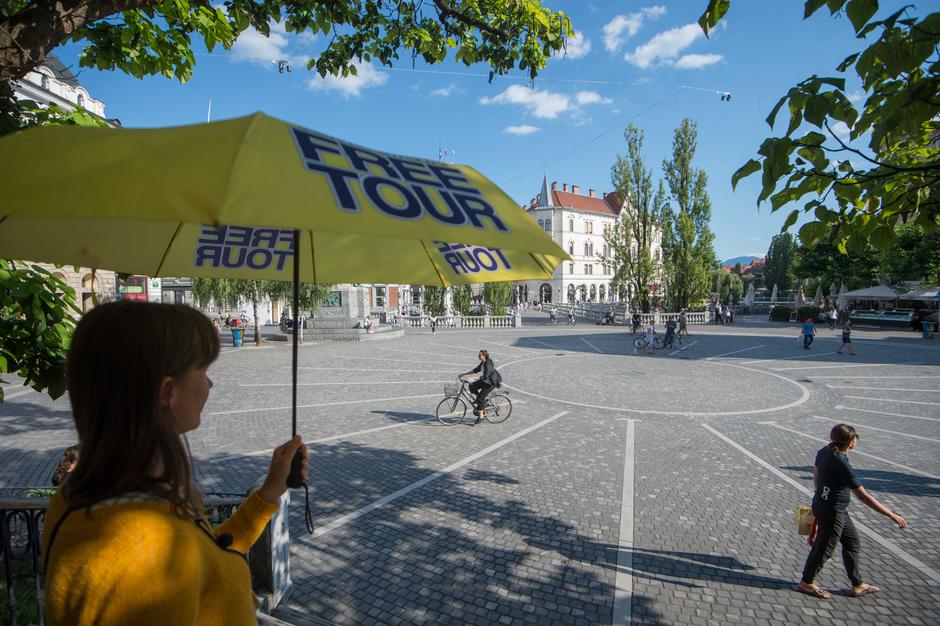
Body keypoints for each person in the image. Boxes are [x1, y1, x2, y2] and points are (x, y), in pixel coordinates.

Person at [42, 301, 309, 624]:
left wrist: (269, 493)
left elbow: (203, 561)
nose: (210, 384)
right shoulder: (143, 549)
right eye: (203, 371)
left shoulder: (90, 499)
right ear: (167, 391)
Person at [798, 424, 907, 600]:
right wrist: (891, 514)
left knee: (852, 542)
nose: (857, 439)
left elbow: (816, 477)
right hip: (833, 511)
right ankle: (806, 583)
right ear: (850, 442)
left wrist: (822, 496)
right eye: (855, 437)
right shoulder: (842, 463)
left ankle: (857, 584)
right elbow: (863, 497)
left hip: (825, 505)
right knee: (824, 549)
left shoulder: (824, 451)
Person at [462, 350, 497, 423]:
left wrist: (475, 378)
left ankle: (481, 416)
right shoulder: (482, 362)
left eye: (480, 355)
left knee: (480, 398)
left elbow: (486, 375)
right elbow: (476, 370)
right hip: (485, 381)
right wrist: (465, 374)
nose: (478, 356)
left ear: (484, 355)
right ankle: (480, 401)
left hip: (490, 383)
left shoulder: (488, 363)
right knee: (472, 386)